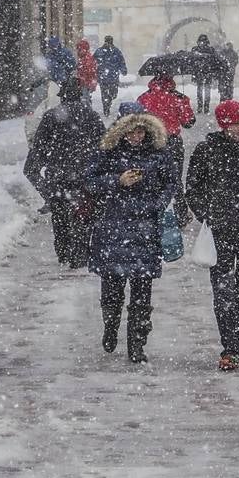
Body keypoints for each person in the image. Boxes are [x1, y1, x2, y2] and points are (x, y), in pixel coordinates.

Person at [85, 108, 177, 364]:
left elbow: (170, 183)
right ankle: (111, 324)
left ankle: (137, 342)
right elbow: (90, 182)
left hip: (145, 229)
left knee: (142, 291)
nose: (136, 136)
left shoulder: (158, 155)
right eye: (131, 131)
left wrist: (157, 203)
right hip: (112, 228)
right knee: (112, 288)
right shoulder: (107, 152)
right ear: (122, 131)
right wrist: (117, 180)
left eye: (140, 131)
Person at [186, 100, 239, 371]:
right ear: (222, 126)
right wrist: (207, 214)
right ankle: (230, 347)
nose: (238, 129)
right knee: (223, 291)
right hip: (221, 230)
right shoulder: (208, 149)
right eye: (232, 124)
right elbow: (193, 187)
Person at [24, 83, 105, 268]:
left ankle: (63, 252)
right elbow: (103, 146)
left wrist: (46, 191)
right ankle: (80, 253)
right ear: (80, 96)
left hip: (58, 178)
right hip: (84, 177)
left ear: (62, 96)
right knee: (84, 218)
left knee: (60, 218)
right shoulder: (91, 116)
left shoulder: (51, 116)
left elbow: (38, 151)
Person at [138, 74, 196, 221]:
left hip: (150, 142)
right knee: (175, 179)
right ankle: (181, 214)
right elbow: (188, 122)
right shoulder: (178, 97)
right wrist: (184, 104)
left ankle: (152, 212)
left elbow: (137, 121)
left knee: (151, 177)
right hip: (172, 142)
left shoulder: (144, 97)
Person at [93, 36, 127, 116]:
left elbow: (121, 61)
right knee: (107, 94)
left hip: (109, 77)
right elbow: (93, 62)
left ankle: (108, 102)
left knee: (112, 94)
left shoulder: (115, 51)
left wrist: (123, 69)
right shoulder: (101, 51)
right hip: (107, 77)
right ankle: (106, 107)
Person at [192, 34, 216, 114]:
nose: (202, 43)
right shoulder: (196, 49)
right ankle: (201, 107)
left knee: (205, 91)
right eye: (201, 41)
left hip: (205, 72)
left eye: (203, 41)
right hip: (201, 73)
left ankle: (205, 107)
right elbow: (192, 60)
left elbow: (214, 60)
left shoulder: (209, 49)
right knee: (201, 91)